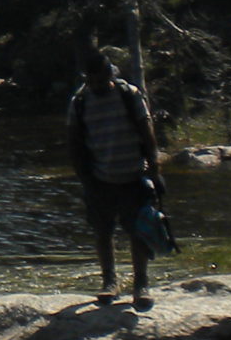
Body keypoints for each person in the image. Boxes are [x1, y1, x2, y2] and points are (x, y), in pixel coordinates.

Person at [66, 45, 161, 307]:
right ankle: (109, 282)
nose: (96, 83)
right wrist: (85, 178)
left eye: (100, 78)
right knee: (102, 232)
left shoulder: (128, 94)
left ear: (110, 73)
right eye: (91, 79)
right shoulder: (80, 102)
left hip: (134, 175)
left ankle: (141, 284)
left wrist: (154, 166)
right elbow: (74, 142)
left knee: (138, 231)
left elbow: (146, 130)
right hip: (99, 178)